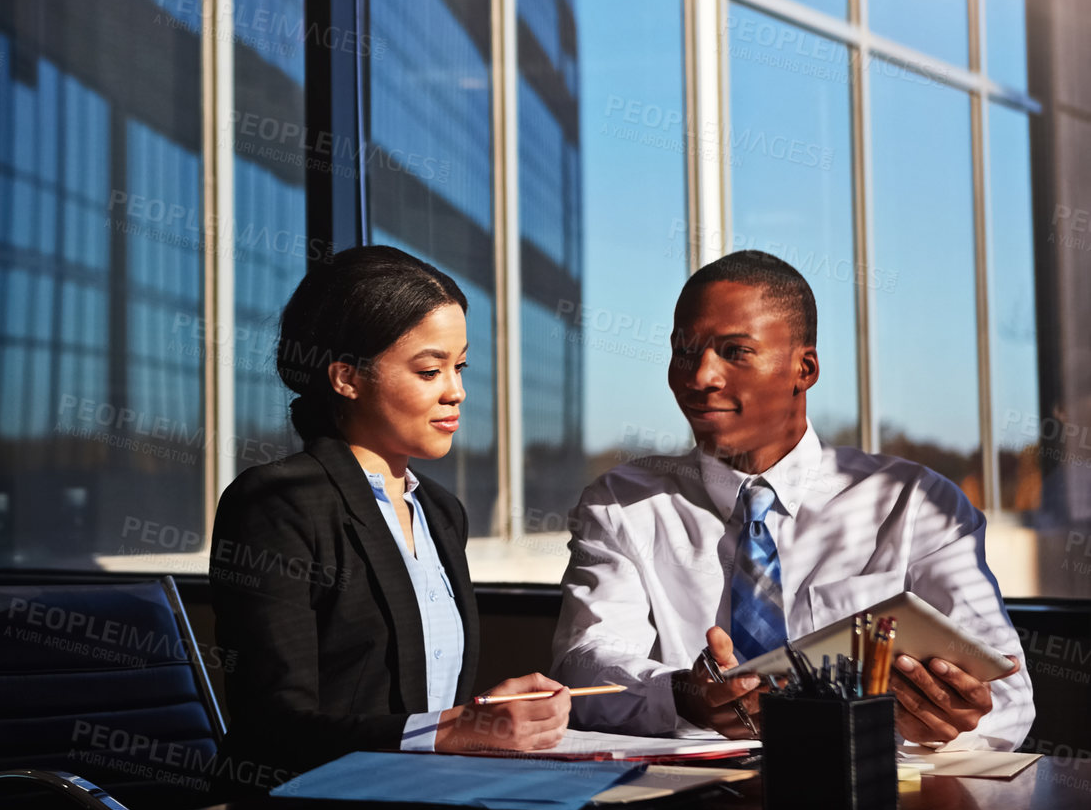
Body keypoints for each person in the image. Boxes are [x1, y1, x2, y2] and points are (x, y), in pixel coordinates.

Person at [552, 250, 1034, 750]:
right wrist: (682, 694)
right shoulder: (621, 505)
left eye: (734, 352)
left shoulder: (915, 504)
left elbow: (1009, 698)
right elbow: (583, 670)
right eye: (685, 351)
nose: (699, 378)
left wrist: (943, 724)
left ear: (804, 369)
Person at [211, 245, 570, 777]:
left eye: (460, 366)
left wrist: (480, 716)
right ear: (346, 378)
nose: (458, 392)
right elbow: (272, 727)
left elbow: (415, 705)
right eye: (430, 371)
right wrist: (452, 729)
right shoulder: (277, 504)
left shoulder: (440, 513)